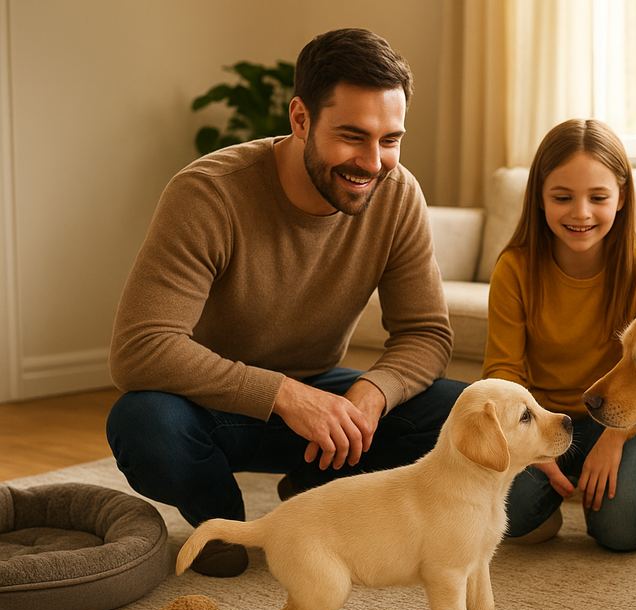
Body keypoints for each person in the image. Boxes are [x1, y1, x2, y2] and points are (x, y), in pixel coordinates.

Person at [106, 28, 466, 577]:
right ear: (300, 119)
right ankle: (221, 525)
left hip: (327, 404)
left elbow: (426, 334)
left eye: (390, 139)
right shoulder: (208, 193)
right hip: (211, 409)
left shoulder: (397, 195)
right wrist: (284, 396)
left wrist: (370, 397)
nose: (373, 162)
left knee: (452, 411)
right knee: (144, 424)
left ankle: (316, 487)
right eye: (352, 136)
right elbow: (140, 348)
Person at [482, 119, 636, 552]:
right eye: (562, 197)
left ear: (621, 198)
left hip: (619, 417)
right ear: (540, 199)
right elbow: (503, 372)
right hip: (541, 418)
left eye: (598, 197)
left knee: (622, 533)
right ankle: (559, 495)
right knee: (511, 521)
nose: (581, 212)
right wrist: (533, 444)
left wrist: (615, 439)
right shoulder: (514, 268)